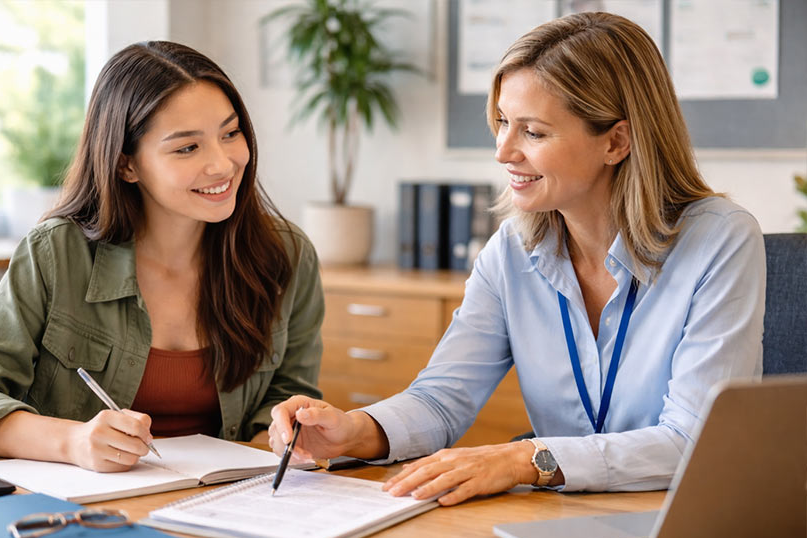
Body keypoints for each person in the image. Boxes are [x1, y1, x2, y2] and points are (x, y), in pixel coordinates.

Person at [268, 12, 765, 505]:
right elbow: (441, 400)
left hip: (685, 518)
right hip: (560, 518)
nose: (503, 152)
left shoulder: (720, 240)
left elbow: (691, 439)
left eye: (533, 132)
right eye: (503, 122)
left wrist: (524, 459)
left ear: (615, 142)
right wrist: (352, 430)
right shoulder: (510, 252)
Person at [0, 41, 323, 472]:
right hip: (85, 506)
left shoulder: (285, 255)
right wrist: (72, 441)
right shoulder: (57, 253)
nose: (223, 164)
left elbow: (286, 396)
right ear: (126, 165)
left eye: (230, 133)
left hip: (227, 499)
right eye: (187, 148)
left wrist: (284, 432)